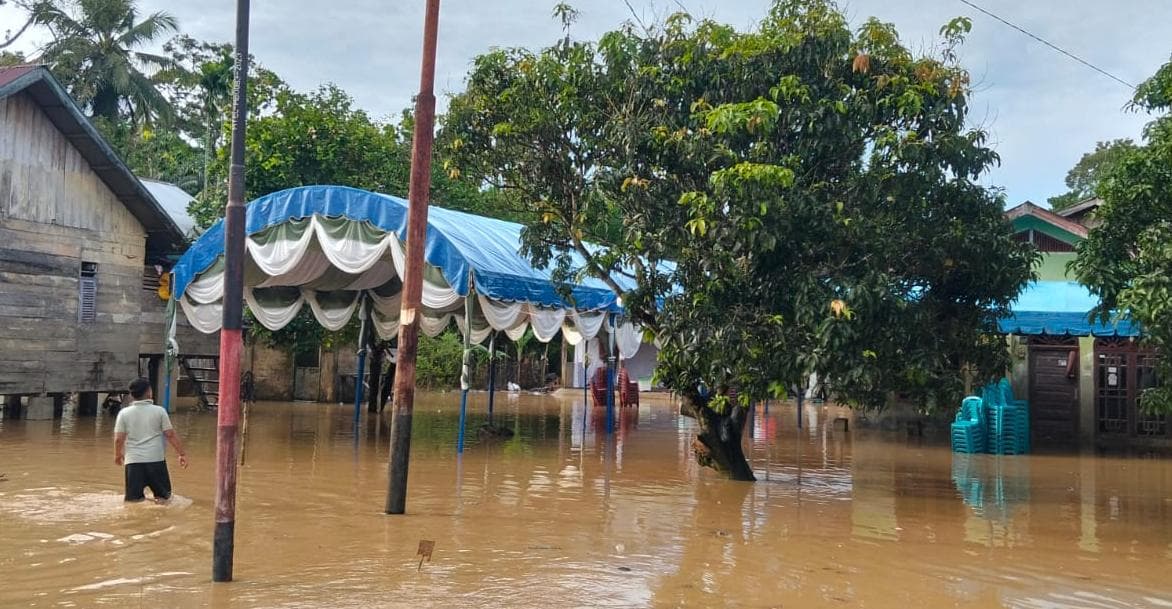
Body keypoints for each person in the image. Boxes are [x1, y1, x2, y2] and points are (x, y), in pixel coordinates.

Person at [113, 378, 188, 503]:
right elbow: (170, 434)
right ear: (149, 392)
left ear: (132, 395)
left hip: (133, 463)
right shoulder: (159, 411)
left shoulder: (124, 413)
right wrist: (182, 454)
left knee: (133, 502)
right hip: (156, 461)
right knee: (164, 499)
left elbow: (118, 439)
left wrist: (117, 454)